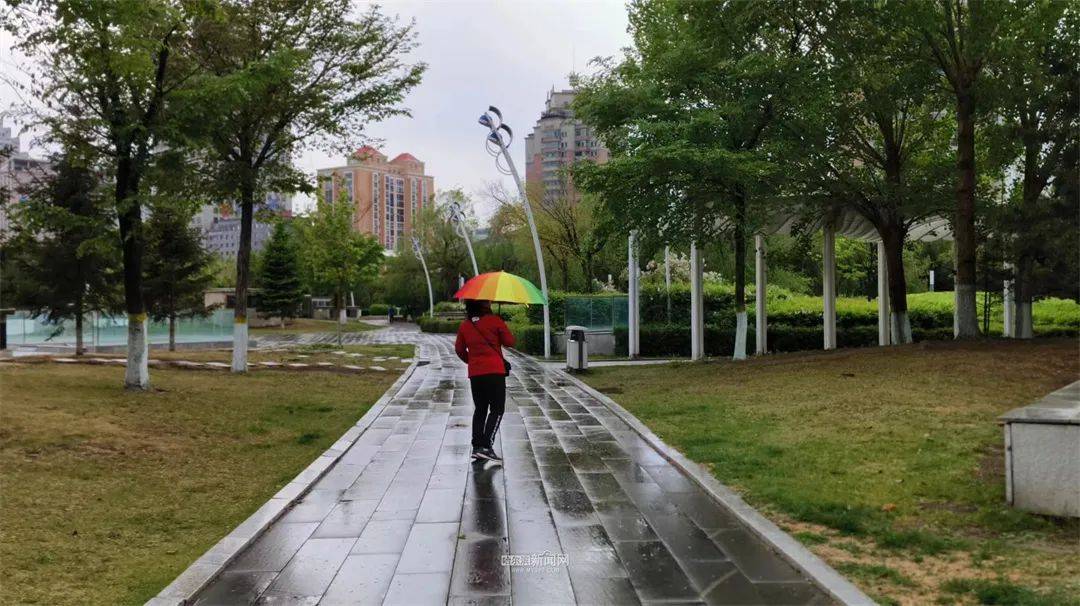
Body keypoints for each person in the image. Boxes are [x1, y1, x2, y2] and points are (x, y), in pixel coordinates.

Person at [454, 299, 515, 463]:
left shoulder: (465, 325)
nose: (490, 303)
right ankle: (487, 446)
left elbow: (459, 349)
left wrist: (472, 361)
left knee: (480, 409)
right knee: (497, 409)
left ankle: (477, 447)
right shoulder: (495, 321)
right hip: (495, 372)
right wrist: (501, 325)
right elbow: (510, 342)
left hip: (476, 374)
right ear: (483, 305)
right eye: (487, 301)